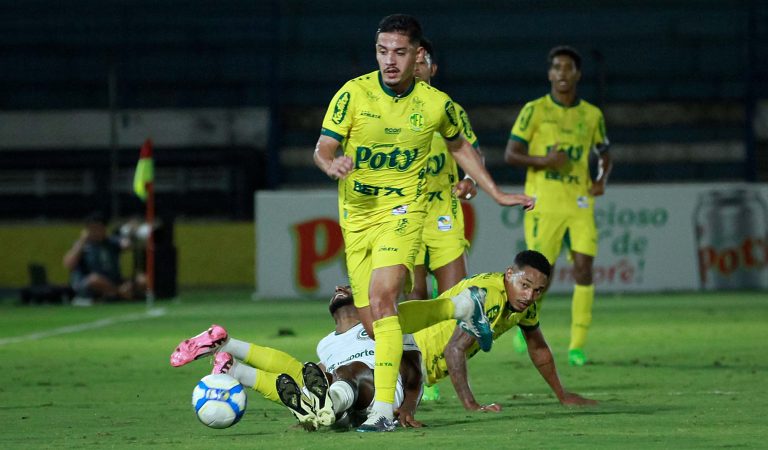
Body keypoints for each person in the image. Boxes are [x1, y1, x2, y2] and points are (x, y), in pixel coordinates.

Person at [312, 13, 533, 431]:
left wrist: (495, 192)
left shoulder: (436, 105)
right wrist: (330, 163)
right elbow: (323, 146)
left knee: (383, 301)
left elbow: (462, 145)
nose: (389, 60)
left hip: (405, 212)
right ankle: (461, 305)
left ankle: (382, 413)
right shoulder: (352, 94)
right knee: (375, 324)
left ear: (418, 56)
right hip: (356, 217)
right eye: (382, 51)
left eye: (399, 51)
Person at [170, 286, 424, 430]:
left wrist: (408, 408)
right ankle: (235, 366)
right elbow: (308, 374)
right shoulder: (327, 343)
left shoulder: (385, 323)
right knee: (309, 372)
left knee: (348, 370)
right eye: (335, 290)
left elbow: (414, 369)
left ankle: (320, 404)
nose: (337, 289)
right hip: (347, 405)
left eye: (346, 286)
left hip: (381, 393)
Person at [504, 45, 612, 366]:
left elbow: (605, 152)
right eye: (556, 68)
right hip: (544, 202)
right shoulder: (534, 110)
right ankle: (523, 325)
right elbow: (511, 153)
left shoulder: (592, 115)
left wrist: (601, 179)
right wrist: (544, 160)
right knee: (539, 275)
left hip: (579, 202)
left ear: (577, 74)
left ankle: (577, 344)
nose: (562, 73)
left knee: (584, 268)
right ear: (550, 74)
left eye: (568, 68)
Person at [412, 249, 596, 411]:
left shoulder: (523, 306)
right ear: (509, 274)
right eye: (525, 285)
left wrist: (562, 395)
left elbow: (538, 348)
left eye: (538, 290)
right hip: (402, 364)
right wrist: (471, 405)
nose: (529, 296)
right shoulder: (489, 296)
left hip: (413, 375)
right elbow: (454, 349)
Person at [407, 37, 480, 301]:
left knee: (458, 299)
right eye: (410, 62)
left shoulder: (451, 111)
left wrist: (470, 179)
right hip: (405, 218)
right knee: (414, 300)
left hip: (443, 217)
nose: (415, 68)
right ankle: (422, 345)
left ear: (432, 69)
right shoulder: (389, 112)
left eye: (421, 62)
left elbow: (474, 154)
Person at [62, 211, 145, 303]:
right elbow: (69, 264)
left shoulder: (111, 242)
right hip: (89, 283)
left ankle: (123, 294)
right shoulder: (82, 245)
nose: (96, 232)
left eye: (99, 228)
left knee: (141, 280)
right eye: (93, 228)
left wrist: (130, 232)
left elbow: (127, 245)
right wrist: (82, 242)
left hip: (114, 280)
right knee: (94, 279)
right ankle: (120, 293)